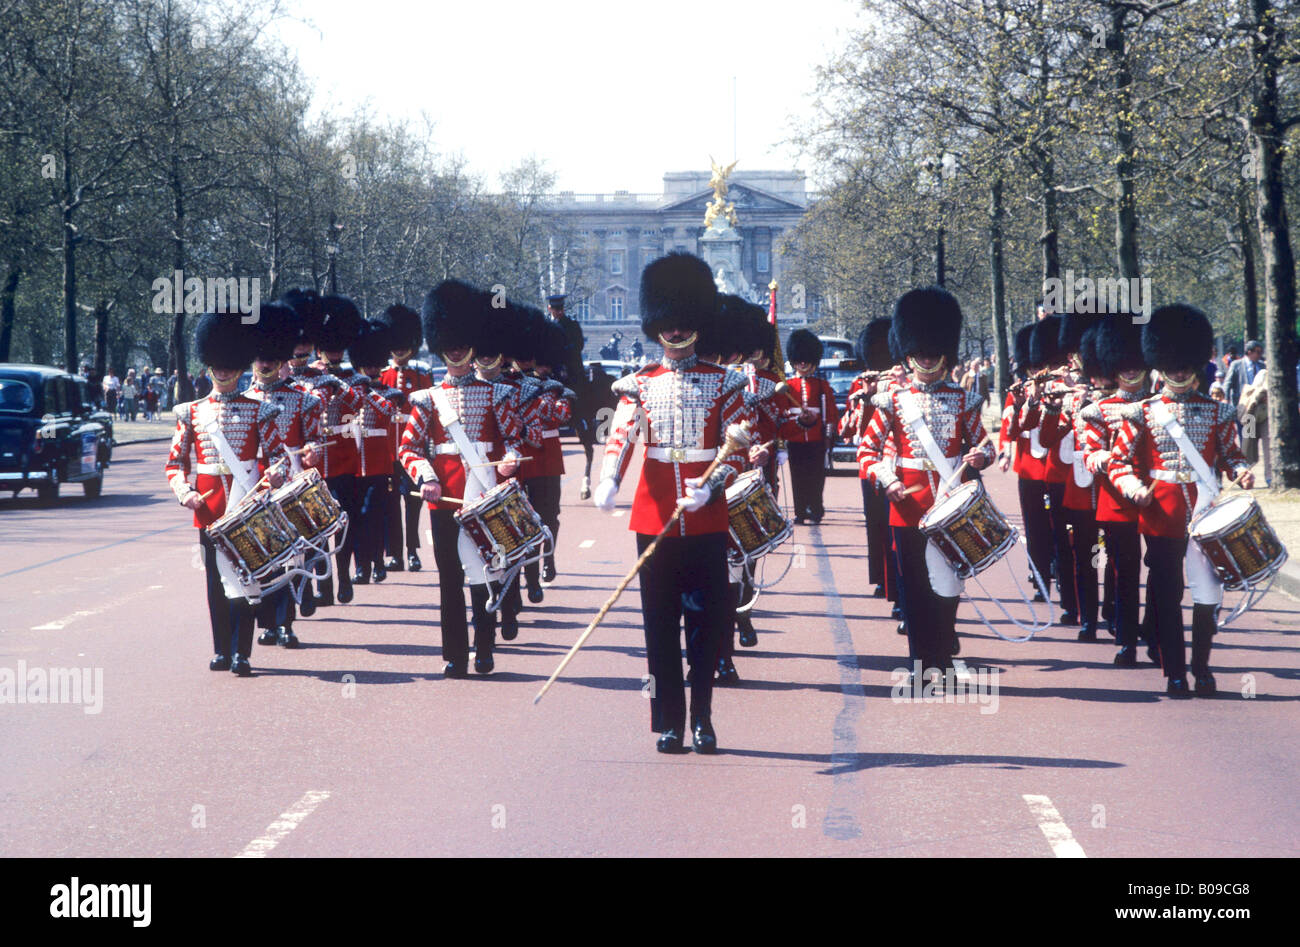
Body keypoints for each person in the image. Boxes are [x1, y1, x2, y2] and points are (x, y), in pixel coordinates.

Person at [593, 252, 746, 754]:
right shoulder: (638, 384)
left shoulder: (726, 382)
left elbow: (738, 447)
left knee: (705, 622)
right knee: (659, 628)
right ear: (656, 325)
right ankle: (668, 721)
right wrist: (609, 480)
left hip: (706, 517)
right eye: (669, 324)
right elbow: (621, 437)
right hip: (656, 512)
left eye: (685, 323)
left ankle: (702, 717)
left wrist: (713, 483)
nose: (677, 333)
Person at [1109, 304, 1254, 698]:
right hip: (1162, 513)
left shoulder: (1219, 411)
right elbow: (1119, 461)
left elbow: (1230, 454)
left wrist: (1241, 470)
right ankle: (1174, 671)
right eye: (1171, 364)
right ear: (1161, 364)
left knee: (1208, 595)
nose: (1178, 371)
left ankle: (1201, 667)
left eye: (1183, 363)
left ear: (1195, 362)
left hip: (1206, 511)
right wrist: (1133, 487)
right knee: (1168, 595)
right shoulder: (1143, 412)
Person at [859, 287, 994, 686]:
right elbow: (867, 453)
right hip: (908, 505)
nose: (928, 357)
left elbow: (981, 444)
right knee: (916, 591)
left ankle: (943, 654)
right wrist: (889, 480)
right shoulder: (891, 401)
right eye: (922, 350)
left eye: (935, 350)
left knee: (949, 585)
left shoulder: (965, 400)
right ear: (909, 352)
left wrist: (978, 458)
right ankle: (923, 664)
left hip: (950, 504)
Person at [400, 280, 522, 677]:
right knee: (450, 579)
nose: (455, 350)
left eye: (461, 343)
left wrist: (509, 463)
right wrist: (427, 478)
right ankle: (454, 653)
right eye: (449, 344)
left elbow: (513, 441)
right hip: (446, 496)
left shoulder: (497, 394)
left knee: (485, 572)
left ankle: (484, 647)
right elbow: (408, 449)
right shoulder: (426, 399)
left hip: (485, 495)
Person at [164, 311, 288, 676]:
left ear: (239, 365)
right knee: (215, 582)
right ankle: (222, 648)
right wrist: (184, 492)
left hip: (245, 505)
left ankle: (242, 652)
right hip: (208, 507)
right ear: (209, 365)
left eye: (229, 364)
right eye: (217, 364)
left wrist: (272, 481)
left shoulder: (260, 411)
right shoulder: (191, 412)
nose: (223, 371)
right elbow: (175, 464)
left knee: (245, 579)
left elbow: (278, 458)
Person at [246, 302, 324, 649]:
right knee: (260, 553)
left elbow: (314, 438)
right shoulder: (243, 398)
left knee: (292, 553)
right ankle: (265, 623)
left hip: (289, 480)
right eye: (259, 358)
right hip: (253, 483)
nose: (264, 364)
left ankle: (285, 622)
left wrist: (313, 450)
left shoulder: (303, 398)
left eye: (271, 358)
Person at [283, 289, 366, 608]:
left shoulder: (328, 376)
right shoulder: (286, 380)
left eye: (306, 342)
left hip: (341, 461)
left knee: (342, 522)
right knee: (309, 526)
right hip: (308, 467)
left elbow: (357, 401)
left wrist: (338, 385)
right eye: (297, 342)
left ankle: (343, 575)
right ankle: (319, 583)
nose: (301, 348)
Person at [1080, 314, 1153, 667]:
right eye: (1122, 365)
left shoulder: (1162, 405)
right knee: (1125, 570)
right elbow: (1090, 455)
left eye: (1136, 363)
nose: (1130, 371)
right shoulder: (1098, 411)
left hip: (1158, 496)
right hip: (1118, 497)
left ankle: (1155, 630)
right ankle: (1127, 640)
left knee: (1163, 568)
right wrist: (1109, 459)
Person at [511, 309, 572, 605]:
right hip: (517, 460)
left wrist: (541, 396)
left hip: (547, 458)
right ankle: (530, 578)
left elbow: (562, 414)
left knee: (549, 516)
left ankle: (548, 558)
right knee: (522, 521)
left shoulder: (552, 385)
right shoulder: (507, 383)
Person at [845, 318, 897, 602]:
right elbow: (852, 430)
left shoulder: (899, 384)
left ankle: (897, 586)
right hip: (870, 467)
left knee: (894, 527)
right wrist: (865, 399)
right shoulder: (860, 384)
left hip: (895, 465)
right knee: (875, 524)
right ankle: (880, 577)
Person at [347, 319, 402, 585]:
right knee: (356, 516)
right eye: (365, 365)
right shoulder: (348, 390)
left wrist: (366, 392)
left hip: (379, 462)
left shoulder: (389, 393)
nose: (369, 369)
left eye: (373, 365)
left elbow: (389, 412)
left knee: (375, 514)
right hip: (353, 461)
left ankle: (378, 562)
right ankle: (361, 567)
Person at [378, 304, 431, 573]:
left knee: (413, 504)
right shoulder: (381, 376)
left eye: (403, 345)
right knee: (390, 507)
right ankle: (395, 554)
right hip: (388, 451)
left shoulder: (422, 376)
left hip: (414, 451)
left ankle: (412, 551)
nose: (399, 351)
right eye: (395, 346)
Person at [780, 329, 838, 524]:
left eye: (806, 361)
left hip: (816, 438)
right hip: (795, 438)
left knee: (816, 476)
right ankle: (800, 511)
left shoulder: (822, 385)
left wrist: (828, 438)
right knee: (797, 476)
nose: (802, 364)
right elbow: (783, 414)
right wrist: (795, 426)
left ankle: (816, 508)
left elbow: (830, 414)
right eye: (799, 361)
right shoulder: (788, 385)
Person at [1238, 366, 1271, 486]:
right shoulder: (1263, 373)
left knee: (1269, 447)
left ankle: (1270, 477)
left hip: (1265, 416)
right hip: (1251, 416)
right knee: (1247, 449)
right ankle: (1244, 477)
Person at [1223, 340, 1264, 415]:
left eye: (1261, 352)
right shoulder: (1236, 365)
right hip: (1241, 403)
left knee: (1254, 425)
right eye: (1258, 352)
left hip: (1258, 404)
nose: (1260, 355)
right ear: (1249, 352)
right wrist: (1225, 399)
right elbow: (1227, 383)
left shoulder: (1262, 365)